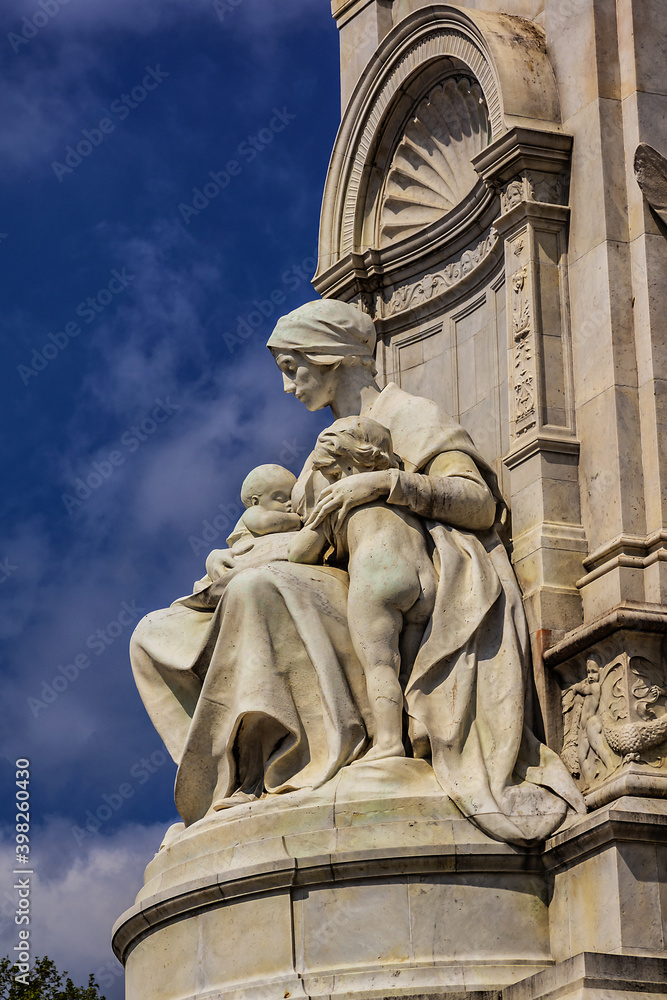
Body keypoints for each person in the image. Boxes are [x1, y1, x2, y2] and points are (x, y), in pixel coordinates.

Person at [130, 297, 585, 844]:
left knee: (257, 591)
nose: (287, 386)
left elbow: (478, 503)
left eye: (292, 367)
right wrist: (222, 560)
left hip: (410, 578)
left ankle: (294, 765)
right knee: (155, 634)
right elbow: (301, 538)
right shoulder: (317, 457)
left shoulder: (410, 417)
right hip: (330, 578)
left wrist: (388, 484)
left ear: (332, 357)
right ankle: (237, 786)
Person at [290, 416, 437, 763]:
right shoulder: (392, 489)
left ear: (341, 465)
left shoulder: (340, 495)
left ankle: (388, 743)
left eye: (328, 470)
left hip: (378, 574)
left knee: (380, 666)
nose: (327, 478)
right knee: (409, 670)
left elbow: (300, 553)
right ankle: (417, 731)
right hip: (425, 576)